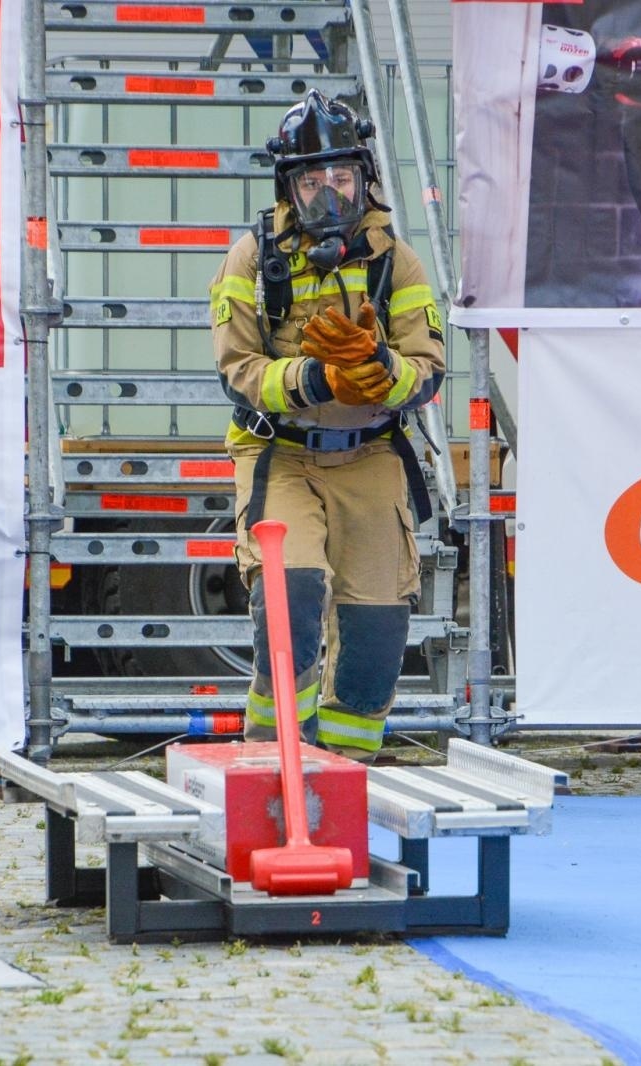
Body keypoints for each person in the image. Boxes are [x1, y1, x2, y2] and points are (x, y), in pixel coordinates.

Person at [208, 90, 446, 761]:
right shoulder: (252, 260)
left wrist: (375, 368)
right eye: (312, 181)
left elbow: (427, 369)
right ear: (289, 185)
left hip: (370, 453)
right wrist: (314, 380)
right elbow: (236, 371)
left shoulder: (396, 262)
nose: (329, 194)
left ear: (363, 176)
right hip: (279, 453)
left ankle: (350, 776)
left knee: (375, 637)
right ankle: (272, 756)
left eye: (341, 178)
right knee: (291, 597)